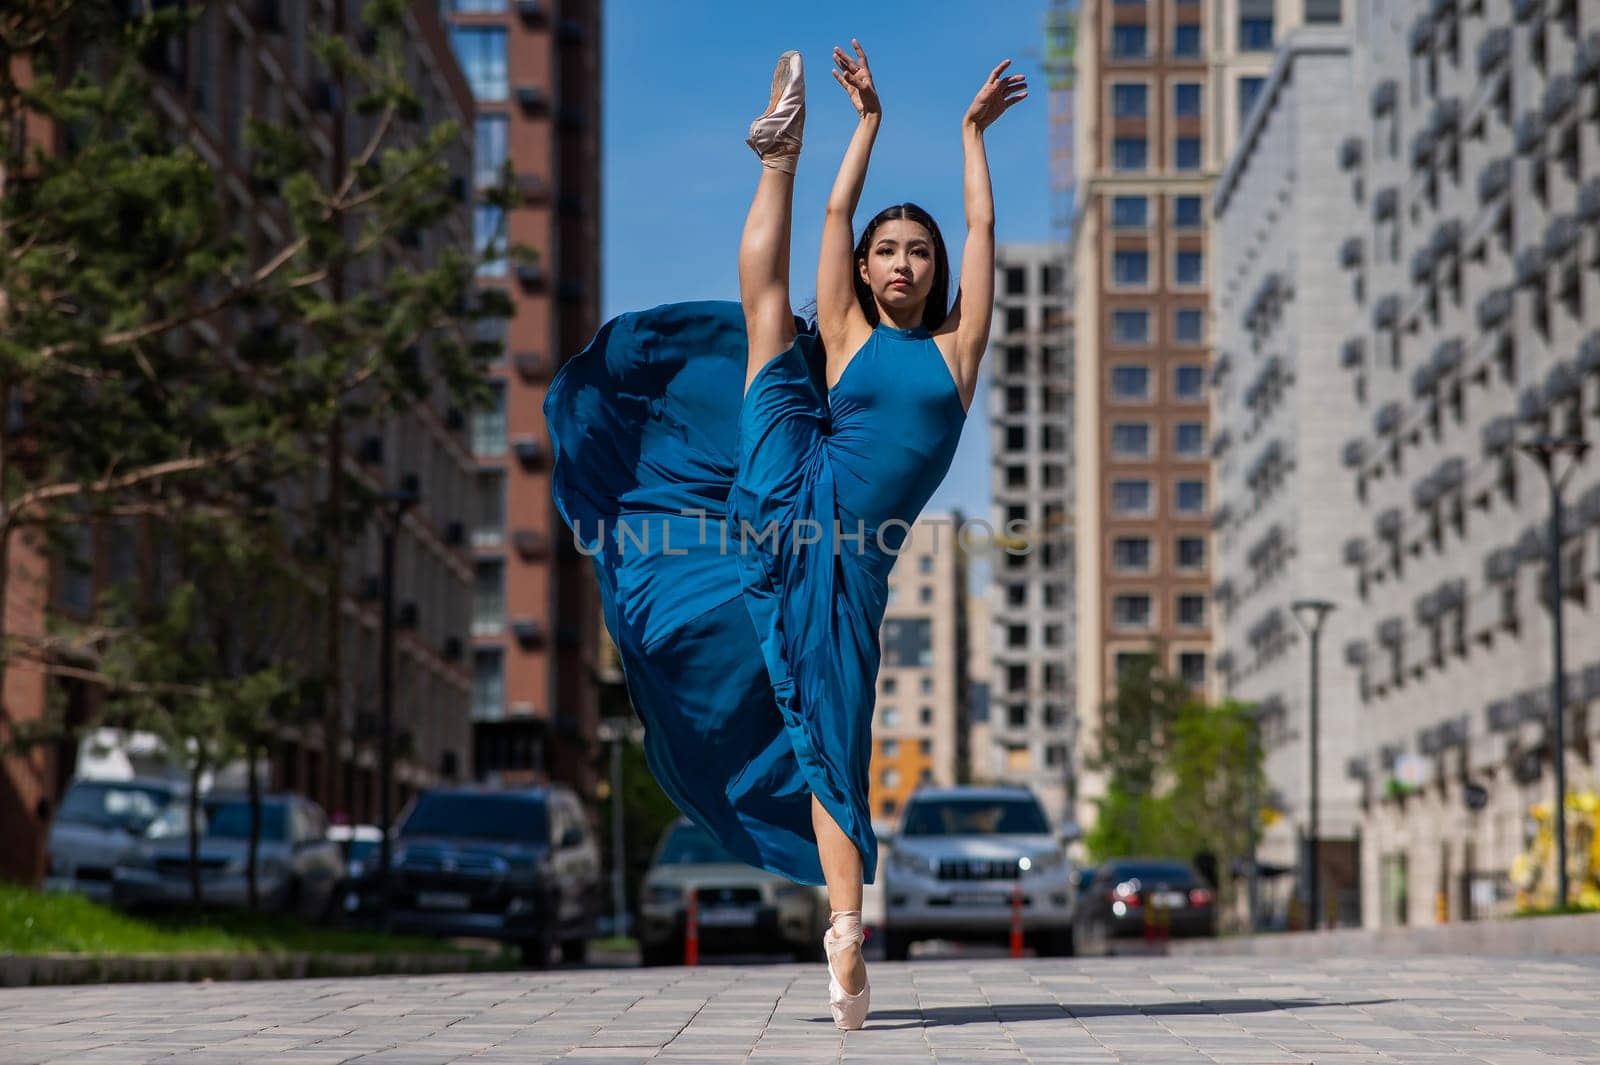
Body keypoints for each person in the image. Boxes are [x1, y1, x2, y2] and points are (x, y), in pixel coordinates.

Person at [543, 40, 1025, 1030]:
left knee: (828, 751)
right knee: (769, 324)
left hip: (847, 569)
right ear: (863, 270)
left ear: (936, 274)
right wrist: (861, 132)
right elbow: (840, 220)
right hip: (790, 472)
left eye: (916, 252)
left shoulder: (958, 349)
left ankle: (843, 935)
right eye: (886, 252)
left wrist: (972, 137)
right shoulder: (845, 336)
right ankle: (777, 156)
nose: (901, 262)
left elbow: (980, 222)